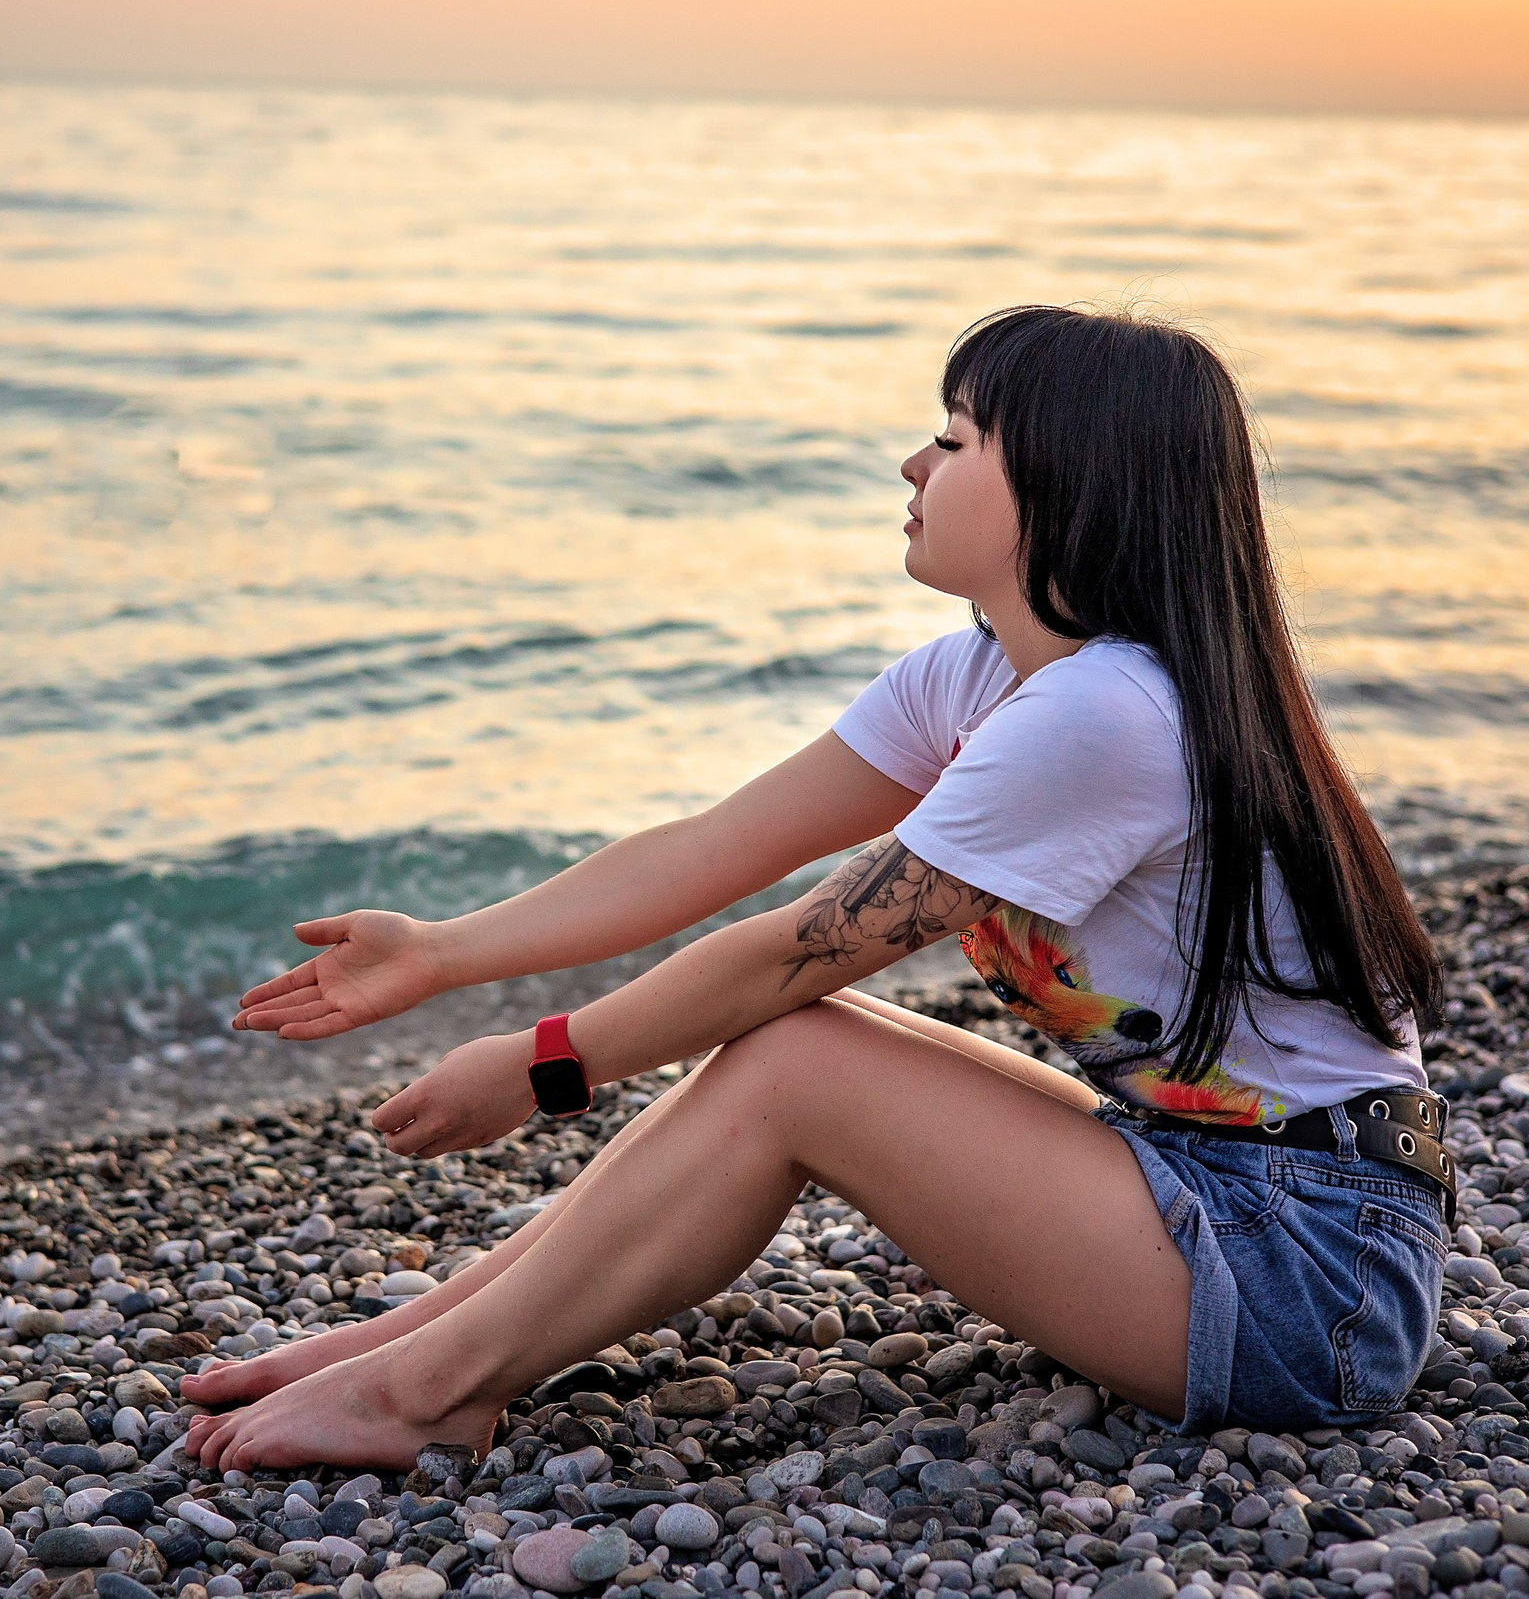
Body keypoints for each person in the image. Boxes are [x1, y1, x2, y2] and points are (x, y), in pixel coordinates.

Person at [178, 304, 1449, 1473]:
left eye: (951, 442)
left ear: (1068, 486)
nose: (912, 468)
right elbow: (712, 848)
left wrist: (546, 1064)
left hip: (1307, 1269)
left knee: (797, 1051)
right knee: (799, 1040)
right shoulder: (970, 680)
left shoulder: (1108, 712)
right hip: (1207, 1183)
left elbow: (800, 946)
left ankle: (425, 1395)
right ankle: (419, 1347)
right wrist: (444, 952)